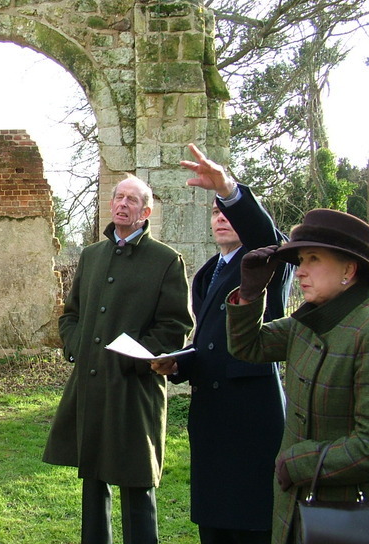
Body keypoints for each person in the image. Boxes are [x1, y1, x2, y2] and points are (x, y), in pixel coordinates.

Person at [227, 208, 369, 544]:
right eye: (300, 260)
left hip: (353, 515)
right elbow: (249, 348)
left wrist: (297, 463)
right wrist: (251, 293)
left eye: (313, 259)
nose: (300, 272)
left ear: (349, 269)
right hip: (299, 508)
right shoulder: (311, 321)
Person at [151, 143, 293, 544]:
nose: (222, 218)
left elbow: (265, 235)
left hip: (252, 412)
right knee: (214, 526)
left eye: (227, 212)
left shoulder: (264, 258)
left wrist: (229, 191)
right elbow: (211, 343)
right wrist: (180, 364)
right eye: (215, 212)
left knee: (252, 523)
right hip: (211, 416)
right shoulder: (208, 272)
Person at [43, 173, 194, 544]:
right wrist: (77, 346)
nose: (123, 204)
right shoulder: (93, 255)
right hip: (90, 384)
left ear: (146, 211)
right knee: (92, 477)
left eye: (132, 200)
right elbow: (71, 314)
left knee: (136, 481)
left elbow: (176, 326)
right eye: (118, 197)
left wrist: (134, 357)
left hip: (135, 388)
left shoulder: (166, 261)